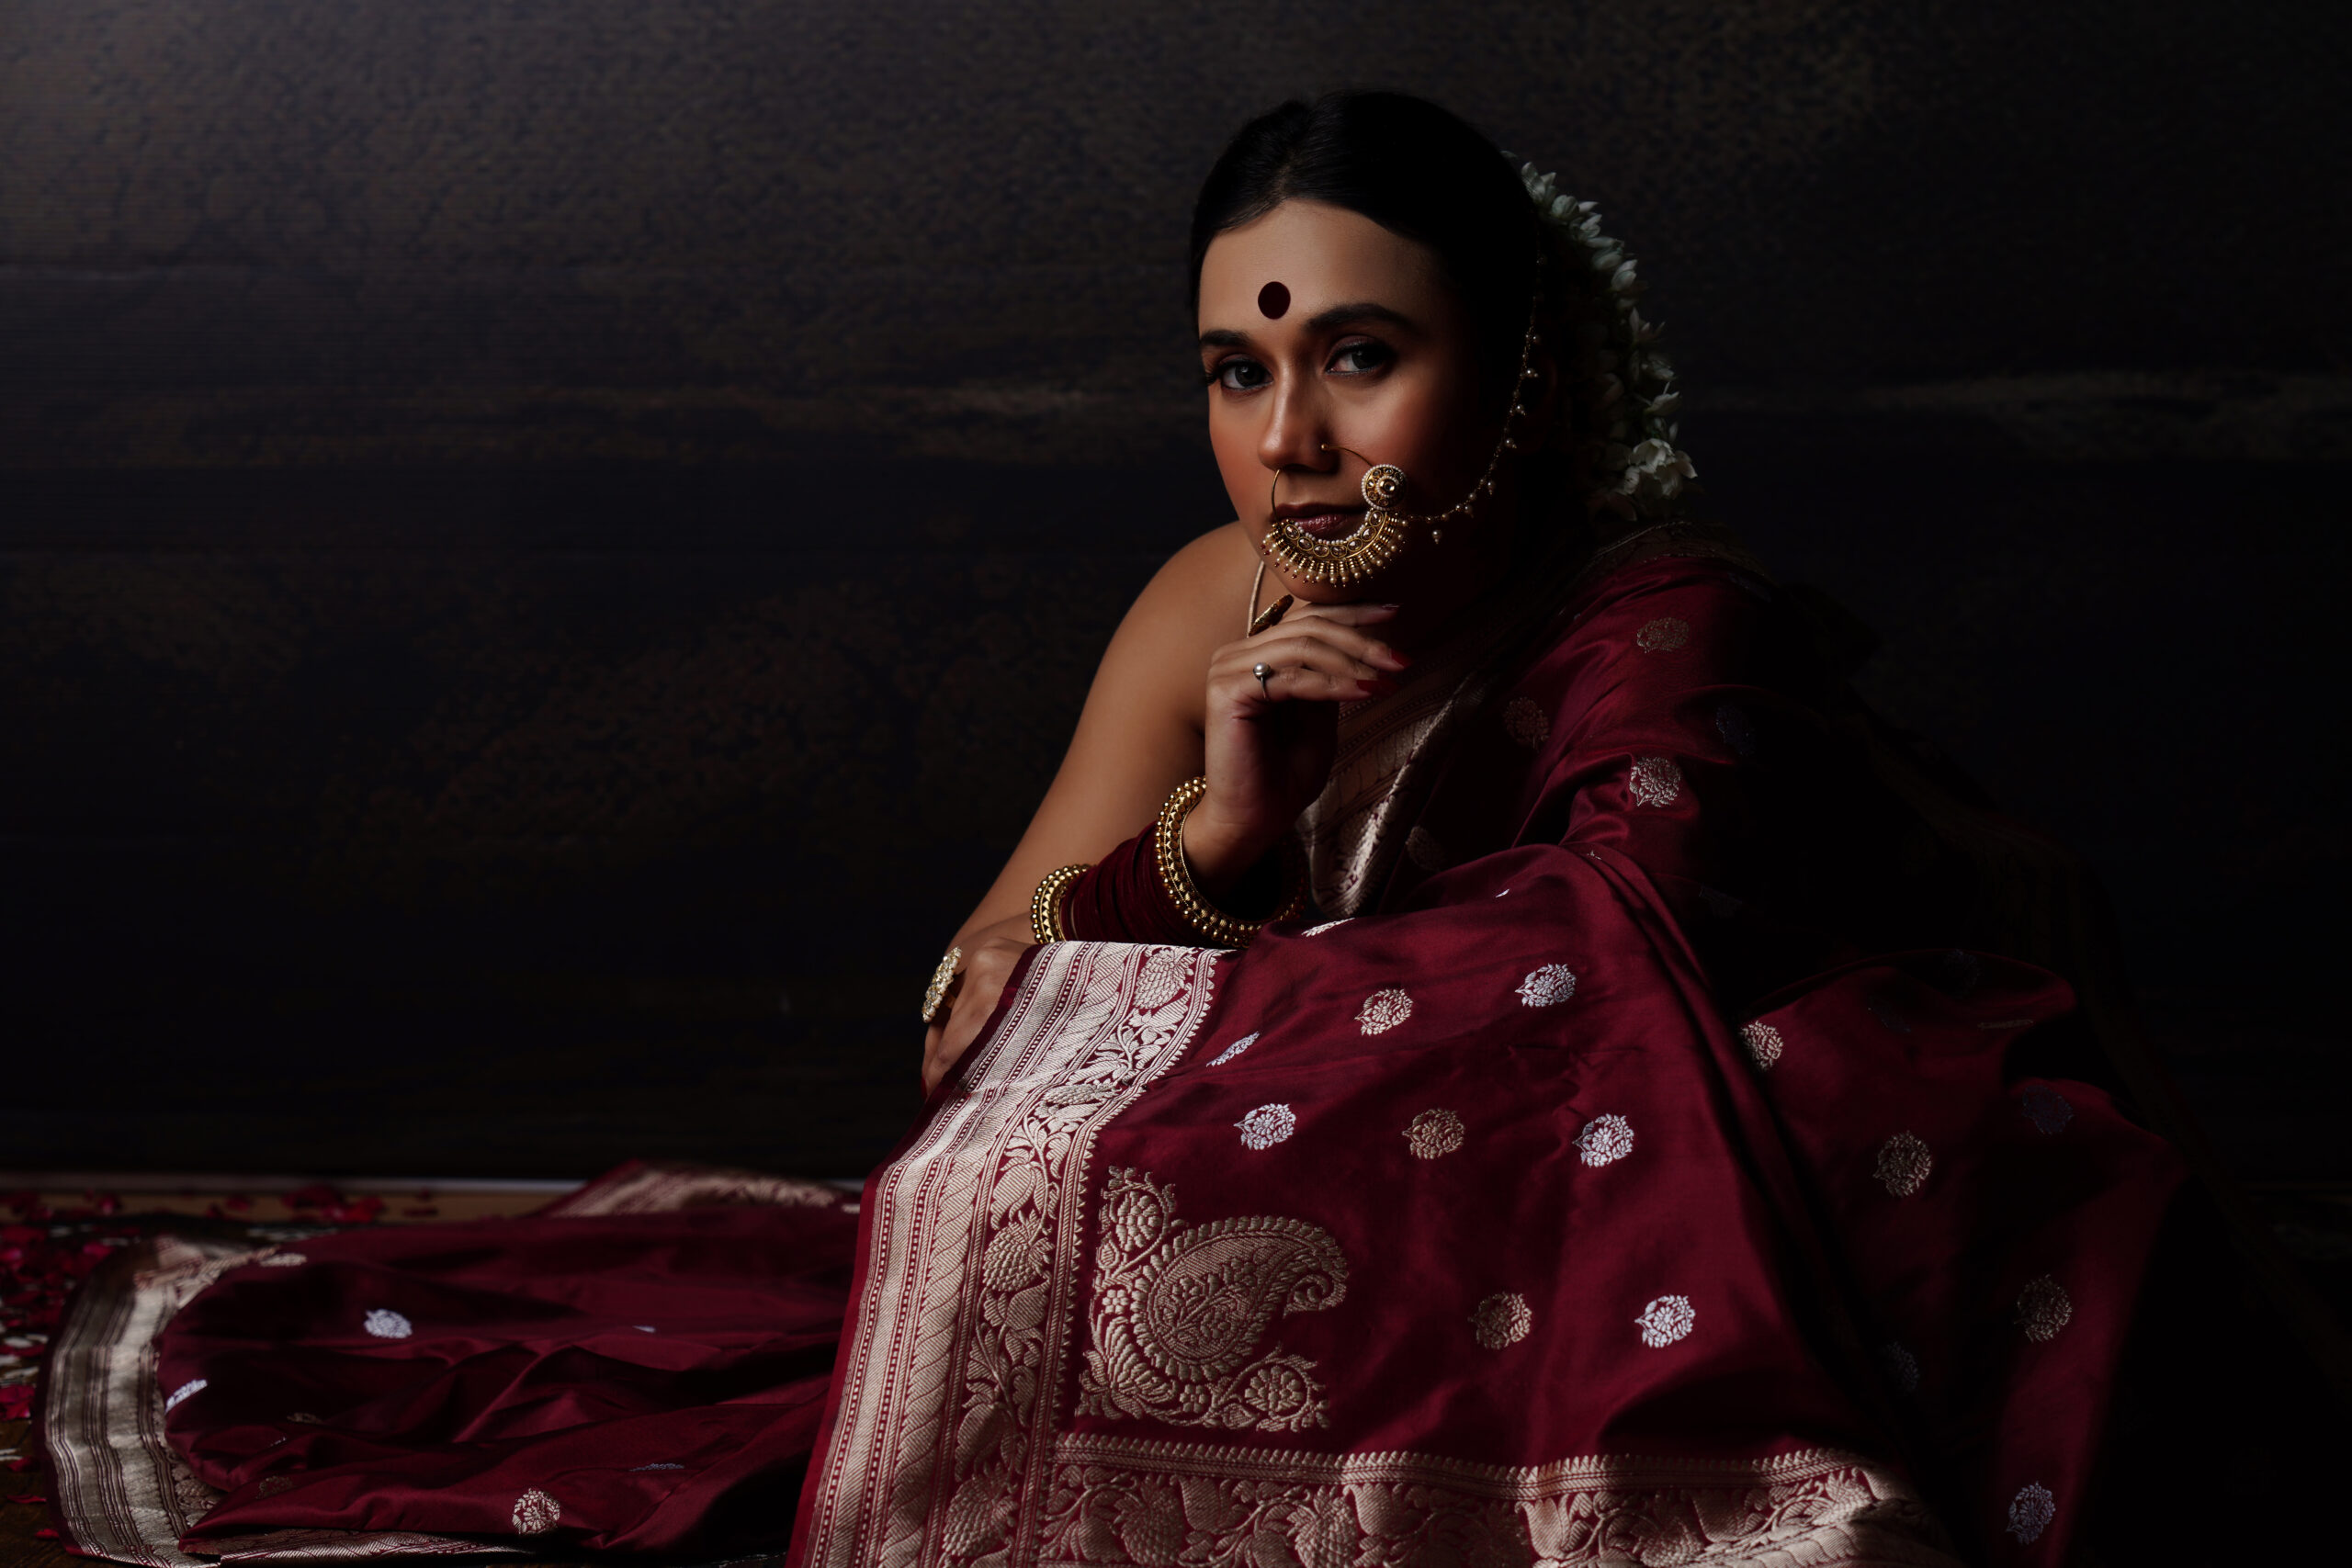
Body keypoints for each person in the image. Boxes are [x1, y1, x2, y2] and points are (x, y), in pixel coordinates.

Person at [45, 91, 2302, 1568]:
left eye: (1357, 356)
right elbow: (965, 1042)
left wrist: (1229, 1042)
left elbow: (1607, 1001)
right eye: (1237, 367)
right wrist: (1219, 839)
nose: (1290, 439)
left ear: (1524, 377)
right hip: (1287, 1206)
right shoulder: (1211, 600)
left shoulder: (1657, 629)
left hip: (1619, 1225)